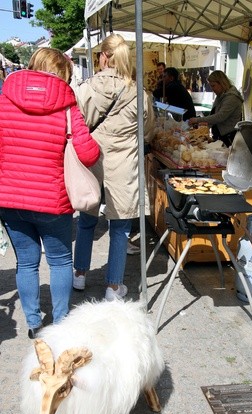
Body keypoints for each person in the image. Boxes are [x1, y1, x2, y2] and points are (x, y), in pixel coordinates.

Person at [0, 48, 100, 339]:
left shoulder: (4, 99)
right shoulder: (68, 107)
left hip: (10, 199)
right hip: (52, 201)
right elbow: (89, 154)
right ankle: (60, 324)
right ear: (62, 74)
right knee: (59, 261)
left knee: (27, 262)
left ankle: (33, 323)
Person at [73, 33, 155, 301]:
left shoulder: (88, 87)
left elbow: (77, 124)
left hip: (92, 159)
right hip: (124, 164)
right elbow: (148, 131)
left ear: (103, 56)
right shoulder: (138, 93)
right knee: (120, 227)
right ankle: (113, 287)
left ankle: (80, 275)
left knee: (87, 220)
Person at [188, 70, 243, 147]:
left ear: (222, 83)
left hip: (228, 137)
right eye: (210, 86)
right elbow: (214, 113)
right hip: (219, 136)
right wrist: (206, 125)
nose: (212, 89)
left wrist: (197, 120)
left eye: (213, 86)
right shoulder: (221, 95)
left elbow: (220, 116)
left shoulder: (232, 97)